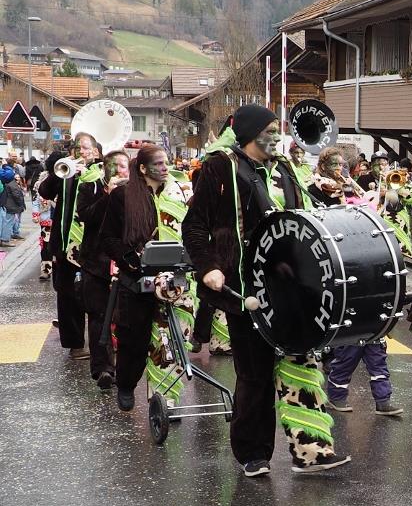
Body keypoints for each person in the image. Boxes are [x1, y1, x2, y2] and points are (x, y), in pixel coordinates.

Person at [182, 104, 351, 477]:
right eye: (271, 129)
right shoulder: (220, 167)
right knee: (255, 374)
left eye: (279, 128)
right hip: (245, 288)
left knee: (302, 366)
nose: (278, 134)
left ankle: (312, 451)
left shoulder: (287, 169)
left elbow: (300, 222)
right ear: (250, 134)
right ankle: (253, 454)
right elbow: (194, 226)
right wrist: (209, 267)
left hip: (290, 288)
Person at [99, 146, 193, 413]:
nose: (165, 168)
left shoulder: (179, 193)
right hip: (136, 279)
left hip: (175, 279)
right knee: (134, 341)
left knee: (170, 342)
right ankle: (127, 384)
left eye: (166, 163)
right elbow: (108, 238)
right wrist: (131, 259)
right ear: (142, 168)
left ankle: (164, 400)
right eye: (159, 164)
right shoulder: (122, 196)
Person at [39, 133, 103, 360]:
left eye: (86, 148)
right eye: (77, 148)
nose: (81, 153)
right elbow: (45, 192)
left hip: (93, 248)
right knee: (66, 295)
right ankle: (75, 343)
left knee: (95, 296)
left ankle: (101, 346)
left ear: (95, 152)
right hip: (65, 244)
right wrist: (60, 172)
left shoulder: (101, 173)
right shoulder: (65, 171)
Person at [77, 150, 129, 391]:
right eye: (114, 166)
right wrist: (108, 193)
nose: (120, 170)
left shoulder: (136, 190)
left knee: (125, 318)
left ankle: (126, 368)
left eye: (124, 166)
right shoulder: (91, 186)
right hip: (95, 261)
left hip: (126, 262)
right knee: (99, 316)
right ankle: (103, 369)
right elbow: (86, 216)